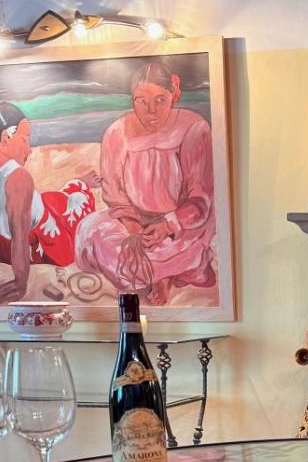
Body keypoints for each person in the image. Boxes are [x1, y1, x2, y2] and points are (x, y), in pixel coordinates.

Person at [74, 62, 216, 306]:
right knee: (91, 231)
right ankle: (158, 271)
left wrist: (167, 225)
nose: (151, 111)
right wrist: (133, 228)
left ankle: (165, 275)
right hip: (134, 219)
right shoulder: (117, 132)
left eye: (160, 100)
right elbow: (114, 191)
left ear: (174, 93)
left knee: (187, 246)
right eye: (142, 101)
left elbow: (200, 201)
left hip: (181, 224)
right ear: (133, 99)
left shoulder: (194, 127)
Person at [0, 101, 95, 305]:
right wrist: (20, 282)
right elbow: (20, 237)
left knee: (49, 200)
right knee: (76, 201)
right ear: (6, 137)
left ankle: (75, 186)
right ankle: (79, 185)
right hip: (48, 242)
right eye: (25, 139)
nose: (29, 149)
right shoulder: (18, 177)